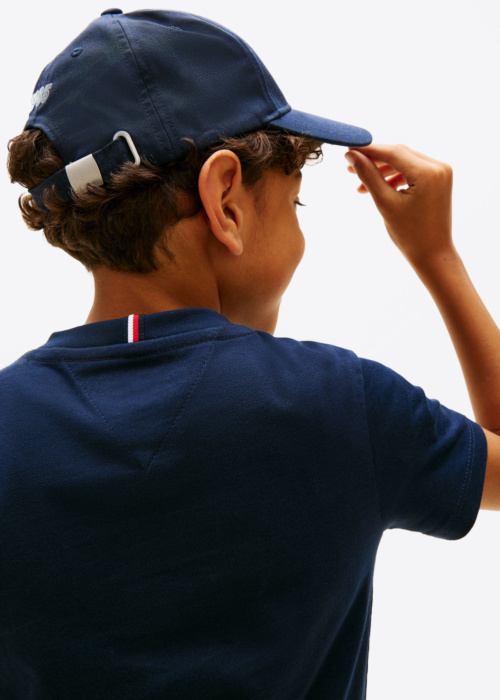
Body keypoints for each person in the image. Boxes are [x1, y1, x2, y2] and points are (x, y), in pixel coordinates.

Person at [1, 8, 499, 700]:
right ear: (225, 198)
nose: (298, 234)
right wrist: (437, 254)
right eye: (295, 205)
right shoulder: (338, 404)